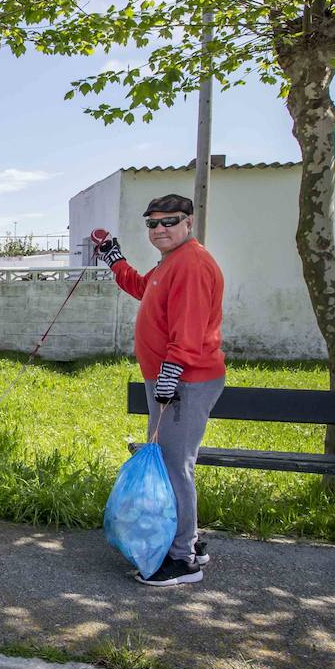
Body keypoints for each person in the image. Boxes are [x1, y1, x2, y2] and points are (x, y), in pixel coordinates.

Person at [92, 193, 225, 586]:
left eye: (170, 221)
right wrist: (115, 260)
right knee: (173, 463)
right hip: (173, 378)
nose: (160, 229)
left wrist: (169, 378)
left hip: (184, 379)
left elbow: (190, 328)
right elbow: (142, 288)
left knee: (173, 466)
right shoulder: (171, 263)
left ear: (189, 222)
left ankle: (183, 559)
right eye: (152, 223)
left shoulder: (192, 264)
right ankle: (190, 540)